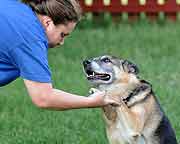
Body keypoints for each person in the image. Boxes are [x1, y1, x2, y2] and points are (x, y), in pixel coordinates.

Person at [0, 0, 117, 110]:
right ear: (47, 23)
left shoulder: (15, 9)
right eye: (63, 35)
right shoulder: (30, 39)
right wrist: (91, 102)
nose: (62, 42)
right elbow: (44, 98)